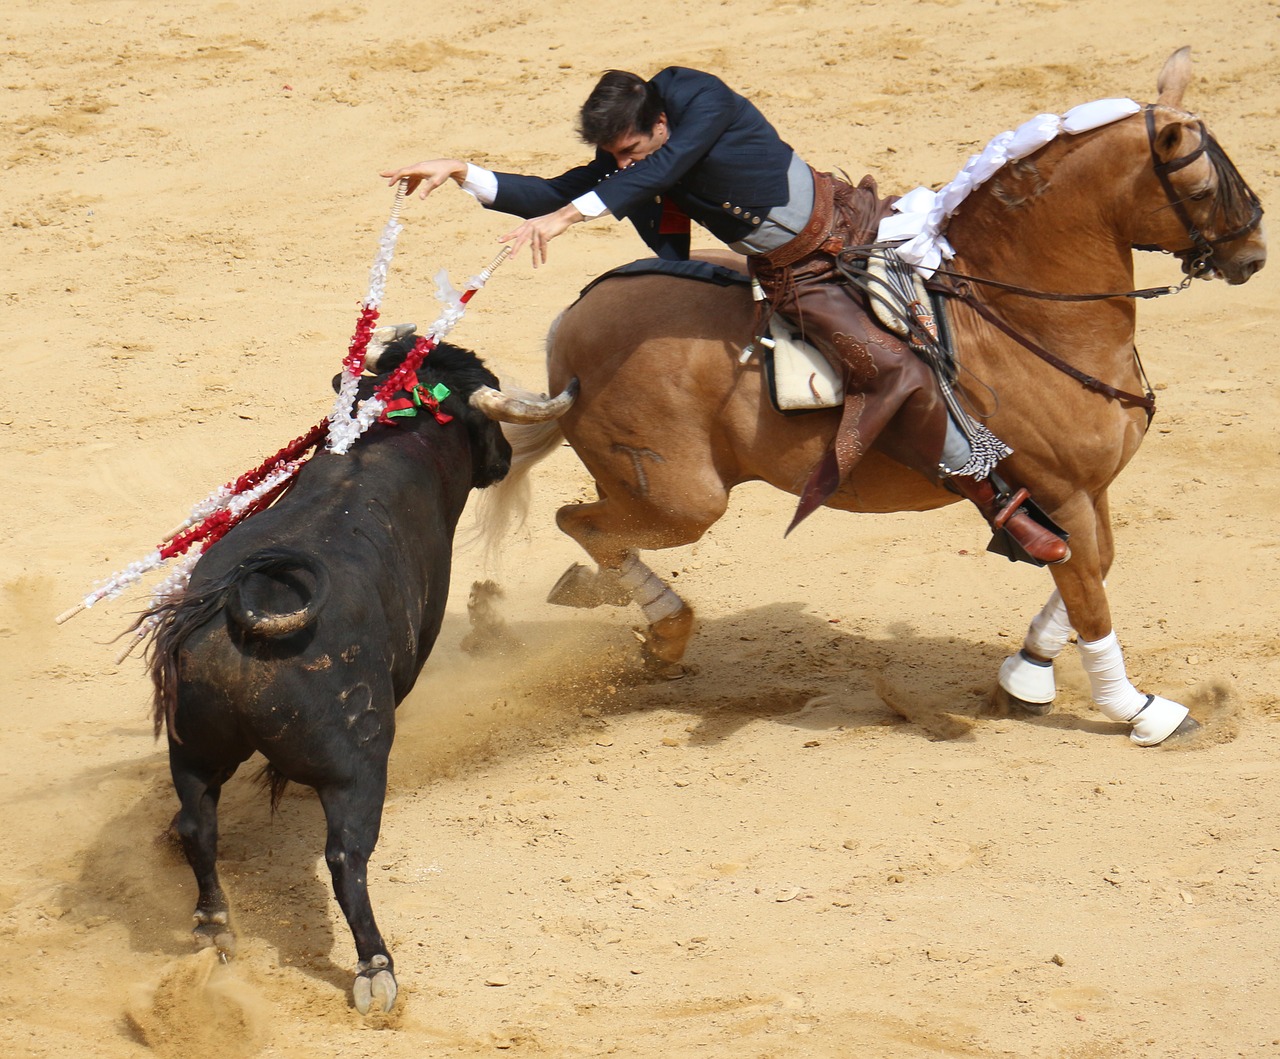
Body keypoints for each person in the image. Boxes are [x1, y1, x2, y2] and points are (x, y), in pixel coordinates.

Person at [381, 68, 1068, 564]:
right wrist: (466, 172)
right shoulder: (638, 149)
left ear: (658, 121)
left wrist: (571, 216)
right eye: (614, 156)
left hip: (851, 224)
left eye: (631, 150)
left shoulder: (697, 99)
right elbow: (566, 186)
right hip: (800, 273)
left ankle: (1002, 457)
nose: (623, 163)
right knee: (890, 367)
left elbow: (659, 170)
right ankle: (999, 502)